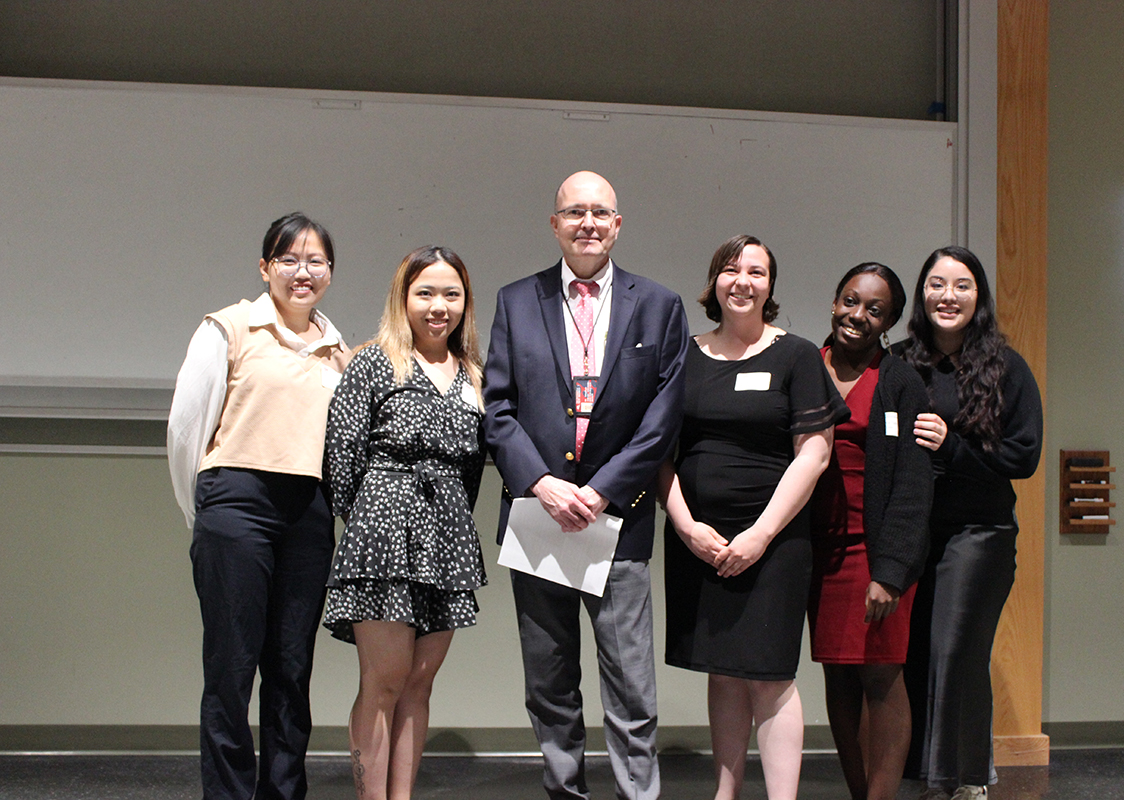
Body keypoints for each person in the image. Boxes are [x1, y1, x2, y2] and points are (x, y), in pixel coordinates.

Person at [482, 170, 689, 800]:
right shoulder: (517, 300)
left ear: (618, 225)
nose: (588, 224)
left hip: (616, 518)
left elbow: (663, 418)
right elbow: (497, 408)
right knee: (548, 679)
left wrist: (600, 491)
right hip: (539, 514)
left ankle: (637, 794)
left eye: (601, 213)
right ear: (555, 225)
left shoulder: (659, 304)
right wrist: (541, 483)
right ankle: (564, 789)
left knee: (630, 681)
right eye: (575, 213)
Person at [167, 212, 353, 800]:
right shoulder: (228, 327)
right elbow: (186, 430)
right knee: (231, 668)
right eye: (289, 260)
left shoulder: (337, 347)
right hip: (236, 505)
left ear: (330, 271)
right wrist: (206, 513)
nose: (304, 272)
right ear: (265, 266)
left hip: (308, 513)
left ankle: (283, 792)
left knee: (291, 669)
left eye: (316, 261)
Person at [658, 235, 847, 800]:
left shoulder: (796, 356)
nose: (742, 281)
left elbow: (815, 453)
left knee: (768, 672)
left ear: (771, 286)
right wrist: (686, 527)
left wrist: (761, 534)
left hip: (775, 542)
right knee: (723, 668)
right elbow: (658, 453)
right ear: (715, 281)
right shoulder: (682, 354)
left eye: (756, 272)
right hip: (700, 541)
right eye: (730, 270)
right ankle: (726, 790)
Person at [322, 245, 487, 800]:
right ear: (403, 297)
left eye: (451, 294)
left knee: (420, 683)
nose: (438, 305)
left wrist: (450, 519)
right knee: (385, 681)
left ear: (465, 303)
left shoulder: (474, 375)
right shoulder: (373, 361)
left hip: (447, 540)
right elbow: (340, 459)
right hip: (384, 535)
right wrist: (372, 518)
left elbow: (472, 470)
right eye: (425, 293)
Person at [898, 246, 1043, 800]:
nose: (948, 296)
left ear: (978, 296)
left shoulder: (1006, 367)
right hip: (914, 532)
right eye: (937, 284)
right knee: (916, 653)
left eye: (962, 285)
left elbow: (1024, 457)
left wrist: (954, 447)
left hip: (979, 534)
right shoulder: (901, 362)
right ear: (922, 293)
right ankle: (942, 773)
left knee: (954, 648)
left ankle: (954, 782)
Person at [808, 263, 933, 800]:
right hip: (818, 550)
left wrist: (891, 571)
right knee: (838, 675)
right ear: (835, 302)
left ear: (889, 323)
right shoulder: (804, 366)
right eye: (851, 301)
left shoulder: (901, 381)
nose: (858, 315)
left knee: (880, 675)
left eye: (874, 310)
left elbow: (912, 483)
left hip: (876, 550)